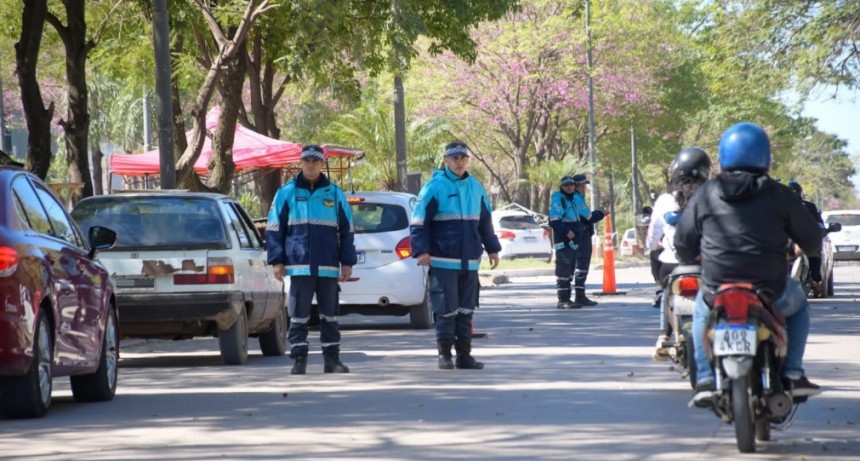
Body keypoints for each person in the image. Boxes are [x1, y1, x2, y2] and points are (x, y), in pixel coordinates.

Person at [674, 122, 823, 399]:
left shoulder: (707, 193)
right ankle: (792, 372)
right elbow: (812, 241)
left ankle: (705, 378)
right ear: (764, 156)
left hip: (717, 286)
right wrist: (808, 248)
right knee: (800, 306)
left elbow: (683, 242)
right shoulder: (779, 194)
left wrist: (691, 257)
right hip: (770, 288)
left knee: (699, 312)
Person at [266, 144, 357, 375]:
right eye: (306, 160)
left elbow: (347, 231)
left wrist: (347, 262)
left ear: (322, 163)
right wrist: (277, 261)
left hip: (328, 266)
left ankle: (332, 360)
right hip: (298, 267)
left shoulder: (335, 193)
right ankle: (299, 360)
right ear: (301, 162)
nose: (310, 165)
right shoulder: (286, 193)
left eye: (315, 161)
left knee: (329, 315)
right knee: (298, 316)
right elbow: (274, 229)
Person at [410, 141, 501, 370]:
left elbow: (485, 222)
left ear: (467, 160)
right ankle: (444, 355)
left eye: (463, 158)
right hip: (443, 261)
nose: (459, 162)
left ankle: (464, 356)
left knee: (466, 309)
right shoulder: (434, 187)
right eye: (454, 158)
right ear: (446, 161)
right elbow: (419, 222)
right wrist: (421, 250)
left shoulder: (476, 187)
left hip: (469, 262)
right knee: (445, 309)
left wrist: (492, 248)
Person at [645, 147, 711, 360]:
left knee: (667, 289)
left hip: (673, 265)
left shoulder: (665, 201)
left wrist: (654, 245)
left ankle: (665, 334)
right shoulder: (714, 197)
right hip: (706, 265)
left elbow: (653, 237)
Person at [549, 176, 584, 309]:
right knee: (563, 270)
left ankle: (568, 299)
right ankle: (562, 300)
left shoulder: (573, 199)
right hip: (563, 242)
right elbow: (554, 221)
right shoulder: (559, 200)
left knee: (569, 270)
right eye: (566, 185)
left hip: (572, 242)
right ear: (561, 187)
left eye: (571, 184)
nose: (569, 187)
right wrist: (567, 232)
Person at [570, 174, 605, 306]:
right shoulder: (577, 198)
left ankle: (570, 296)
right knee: (582, 265)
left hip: (574, 234)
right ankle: (579, 295)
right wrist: (601, 213)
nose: (585, 187)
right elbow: (588, 217)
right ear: (578, 185)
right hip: (581, 234)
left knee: (574, 265)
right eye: (583, 185)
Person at [787, 180, 826, 294]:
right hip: (788, 240)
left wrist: (821, 230)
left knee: (815, 253)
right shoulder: (780, 206)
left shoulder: (809, 206)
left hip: (803, 239)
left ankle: (815, 281)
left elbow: (819, 223)